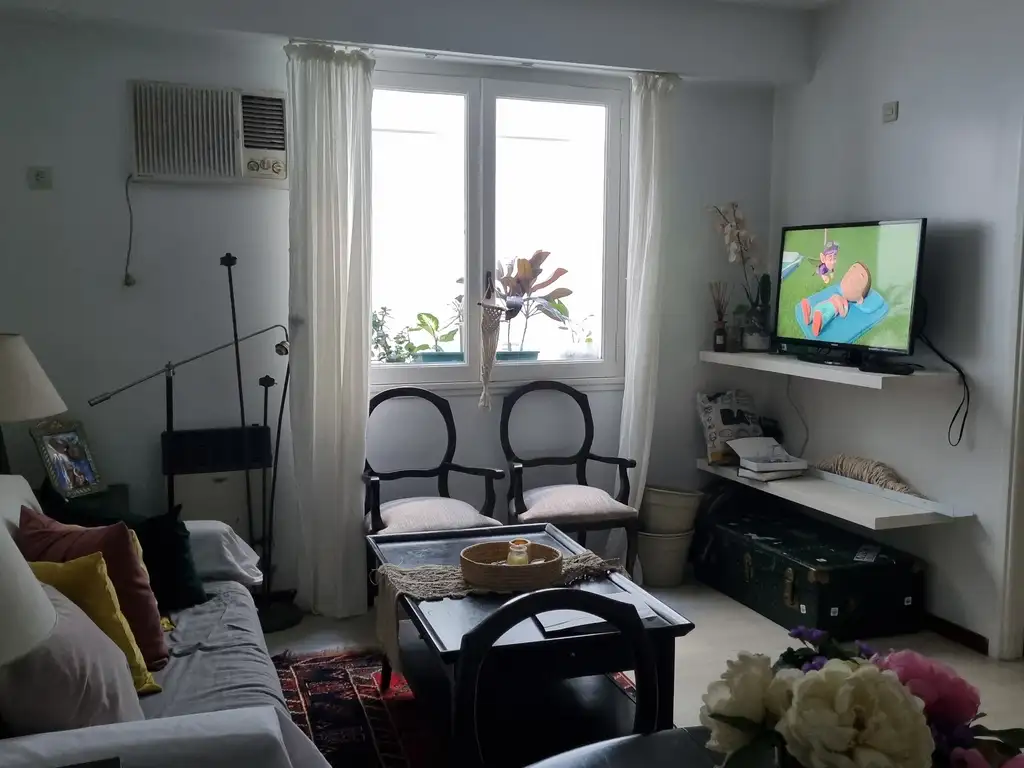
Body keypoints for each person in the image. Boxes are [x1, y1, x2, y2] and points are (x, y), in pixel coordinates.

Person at [800, 262, 872, 337]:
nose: (851, 277)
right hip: (826, 303)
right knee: (818, 307)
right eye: (851, 270)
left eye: (859, 278)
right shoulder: (837, 295)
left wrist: (840, 306)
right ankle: (810, 316)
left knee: (826, 316)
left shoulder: (845, 302)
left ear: (860, 299)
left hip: (832, 308)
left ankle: (818, 325)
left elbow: (843, 314)